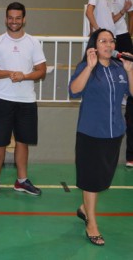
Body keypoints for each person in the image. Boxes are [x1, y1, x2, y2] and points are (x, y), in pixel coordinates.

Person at [69, 29, 133, 246]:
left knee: (103, 178)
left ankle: (84, 208)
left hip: (114, 132)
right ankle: (92, 224)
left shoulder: (119, 68)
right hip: (91, 133)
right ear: (94, 45)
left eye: (111, 41)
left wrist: (130, 71)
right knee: (91, 181)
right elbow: (74, 90)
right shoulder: (87, 67)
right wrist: (88, 67)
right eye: (103, 41)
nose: (109, 44)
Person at [0, 2, 47, 196]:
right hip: (2, 100)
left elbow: (42, 71)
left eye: (18, 18)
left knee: (23, 142)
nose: (14, 21)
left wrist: (24, 76)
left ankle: (21, 181)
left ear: (24, 19)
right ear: (6, 19)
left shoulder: (33, 43)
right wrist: (9, 73)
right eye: (10, 18)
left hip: (27, 101)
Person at [106, 0, 133, 168]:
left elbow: (130, 16)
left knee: (128, 63)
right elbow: (111, 19)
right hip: (109, 35)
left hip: (123, 36)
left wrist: (129, 33)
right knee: (111, 65)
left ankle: (127, 92)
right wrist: (122, 11)